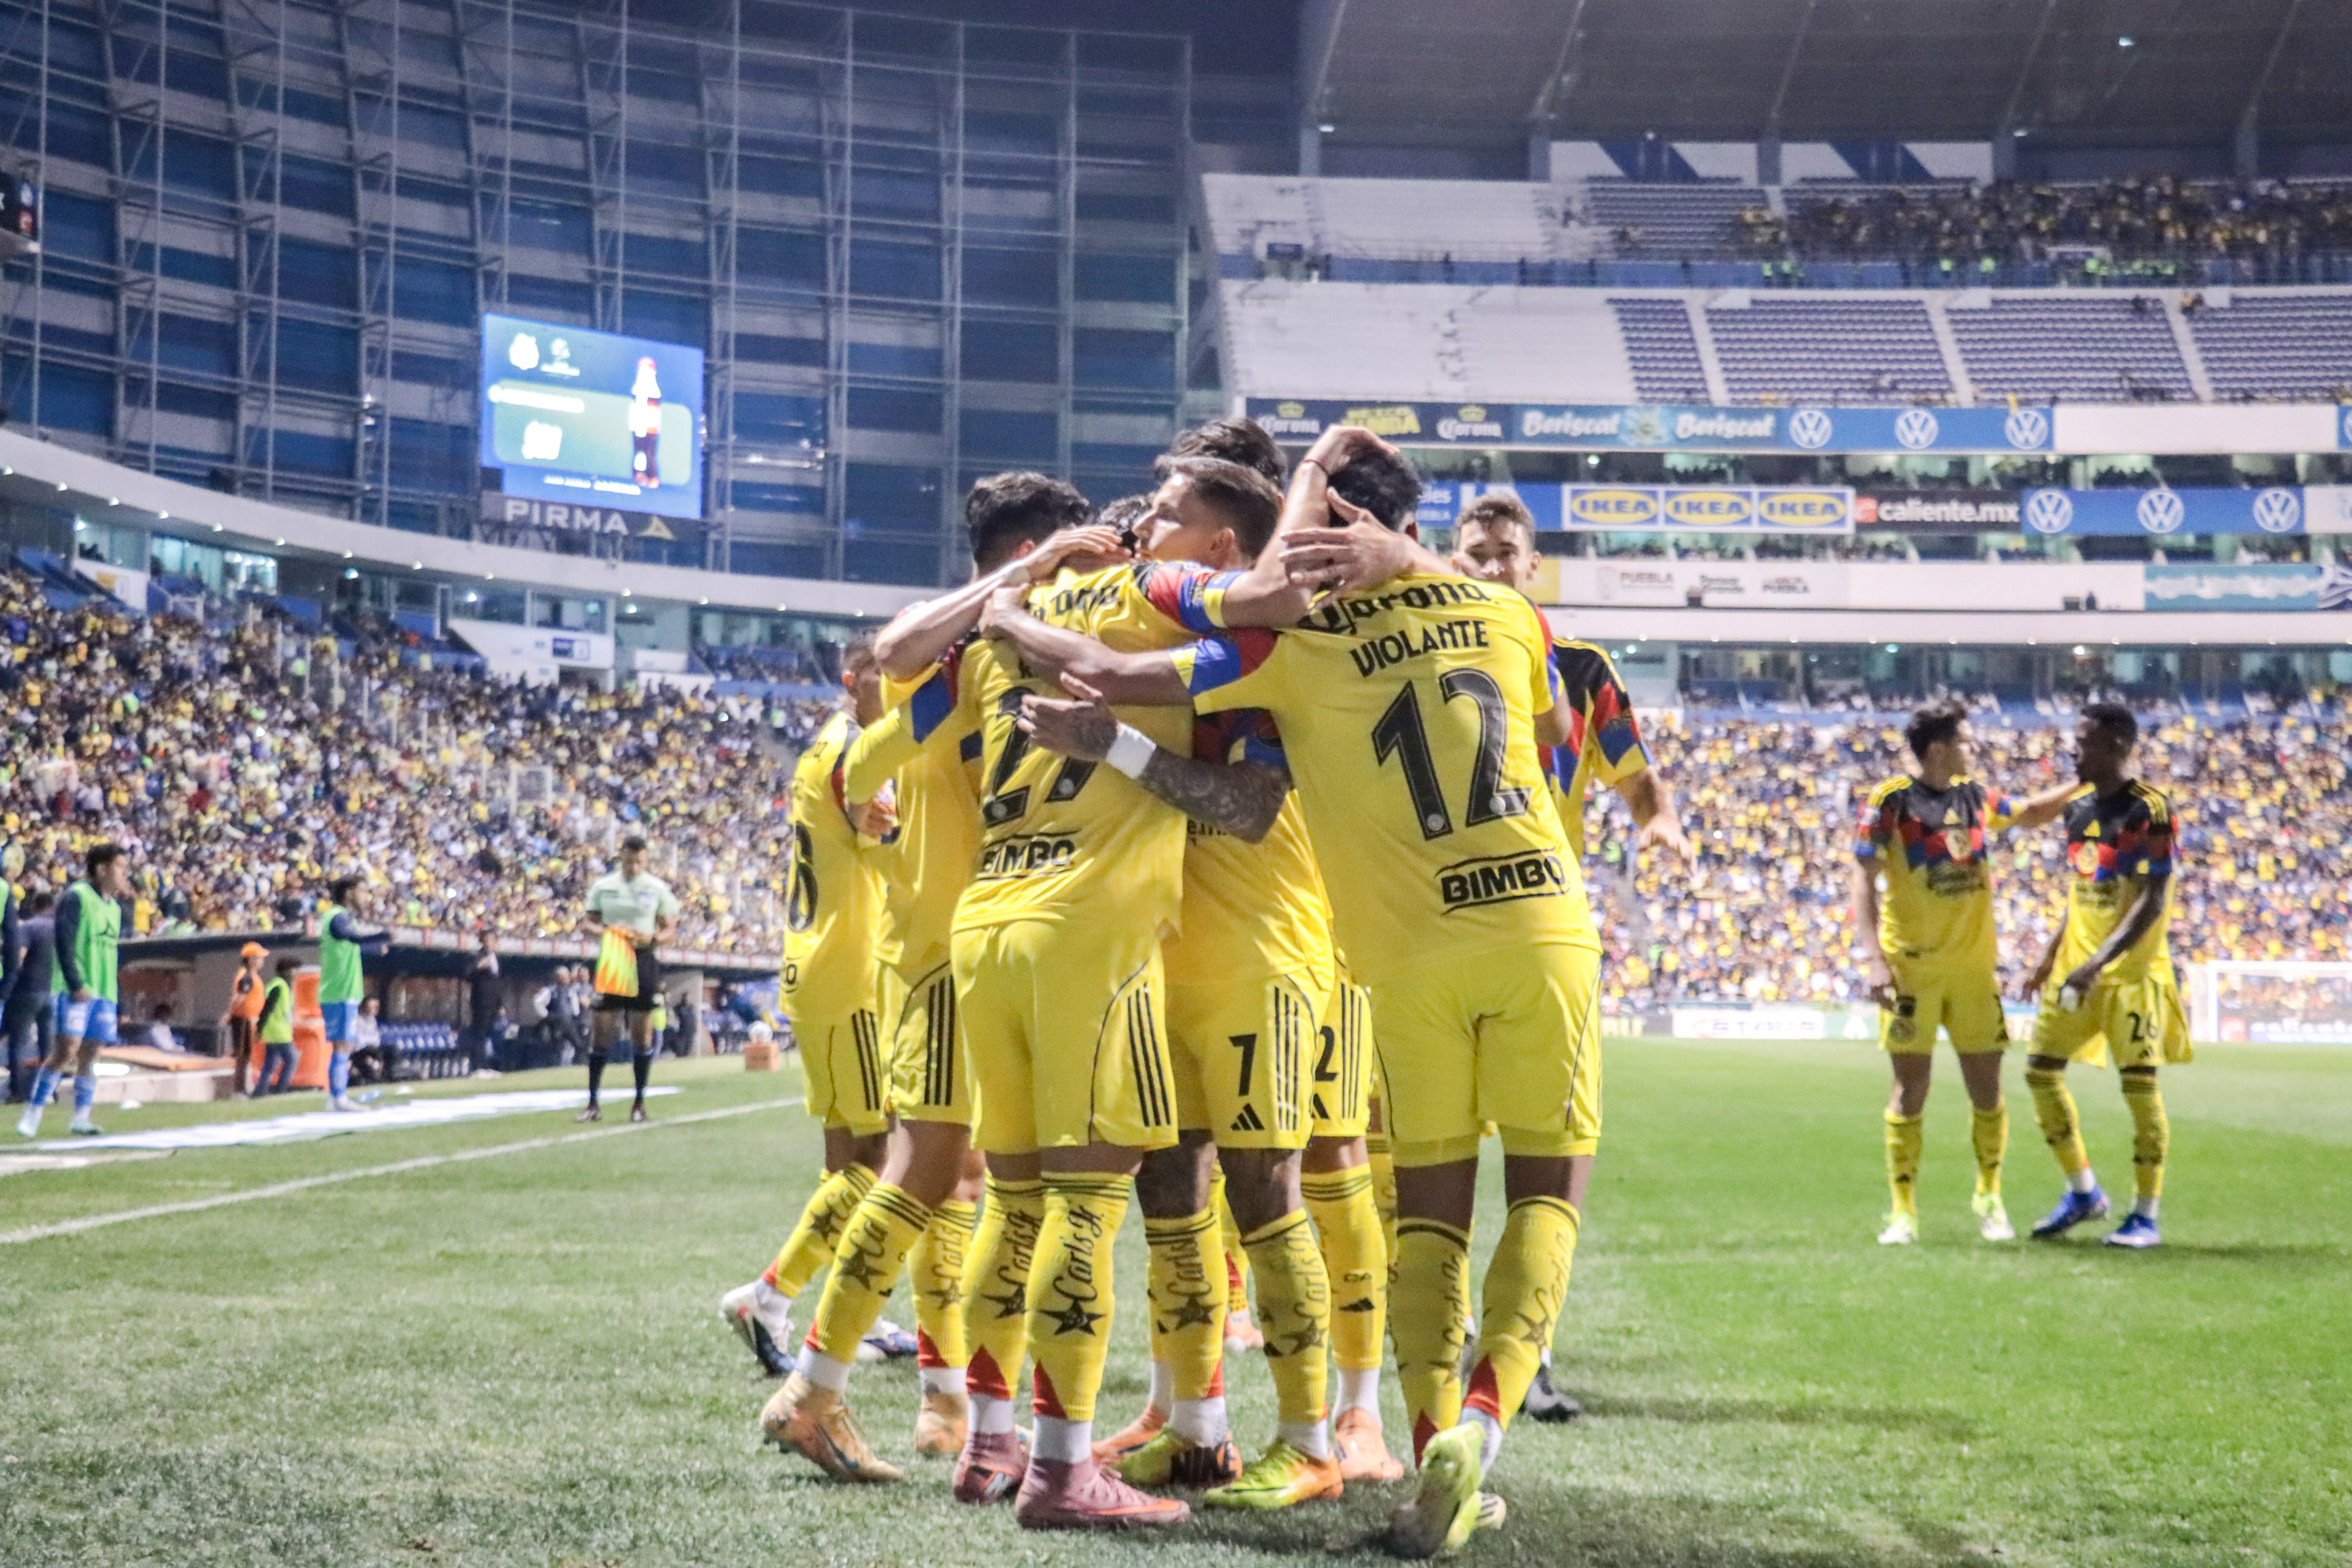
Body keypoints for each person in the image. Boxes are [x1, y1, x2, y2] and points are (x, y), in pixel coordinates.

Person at [982, 426, 1602, 1555]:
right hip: (1495, 929)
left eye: (1168, 515)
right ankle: (1282, 1423)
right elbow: (1543, 697)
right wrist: (1412, 563)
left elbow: (1220, 774)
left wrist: (1015, 610)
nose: (1143, 528)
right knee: (1198, 1185)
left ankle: (1342, 1430)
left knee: (1329, 1191)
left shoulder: (1284, 645)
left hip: (1318, 947)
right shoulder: (1506, 616)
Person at [777, 466, 1308, 1534]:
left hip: (984, 926)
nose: (1142, 525)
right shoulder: (1150, 590)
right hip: (1091, 930)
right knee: (1089, 1201)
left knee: (1006, 1199)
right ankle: (1071, 1470)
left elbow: (866, 751)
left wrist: (1017, 605)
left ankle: (986, 1443)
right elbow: (1268, 609)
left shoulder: (992, 636)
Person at [1001, 455, 1400, 1505]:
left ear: (1221, 547)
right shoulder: (1171, 649)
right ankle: (1196, 1429)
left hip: (1262, 956)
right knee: (1172, 1197)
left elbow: (1250, 809)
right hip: (1165, 951)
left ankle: (1313, 1440)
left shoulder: (1259, 660)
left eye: (1168, 519)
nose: (1145, 535)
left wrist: (1116, 749)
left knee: (1269, 1195)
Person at [1448, 490, 1693, 1423]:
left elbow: (1633, 770)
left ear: (1531, 564)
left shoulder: (1582, 670)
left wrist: (1659, 817)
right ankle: (1440, 1346)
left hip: (1542, 933)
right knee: (1426, 1162)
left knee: (1541, 1153)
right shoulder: (1425, 648)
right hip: (1434, 926)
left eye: (1507, 551)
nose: (1492, 562)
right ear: (1453, 556)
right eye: (1476, 550)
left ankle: (1524, 1352)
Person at [1853, 701, 2074, 1247]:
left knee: (1987, 1091)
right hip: (1914, 970)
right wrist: (1872, 956)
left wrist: (2080, 784)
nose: (1972, 749)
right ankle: (1903, 1211)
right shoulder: (1891, 801)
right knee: (1910, 1091)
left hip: (1975, 973)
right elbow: (1862, 875)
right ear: (1938, 748)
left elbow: (2030, 813)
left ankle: (1990, 1197)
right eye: (1965, 741)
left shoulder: (1975, 796)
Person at [2019, 703, 2187, 1249]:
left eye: (2084, 739)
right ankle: (2084, 1191)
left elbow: (2152, 901)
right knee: (2040, 1072)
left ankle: (2145, 1215)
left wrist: (2099, 963)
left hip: (2129, 977)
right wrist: (2051, 956)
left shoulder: (2150, 810)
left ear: (2117, 743)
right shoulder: (2077, 810)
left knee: (2139, 1092)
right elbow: (2080, 894)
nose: (2074, 749)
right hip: (2077, 974)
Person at [18, 843, 130, 1139]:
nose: (124, 873)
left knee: (91, 1055)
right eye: (120, 867)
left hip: (105, 991)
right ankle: (34, 1111)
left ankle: (81, 1118)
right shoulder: (76, 897)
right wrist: (75, 983)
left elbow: (112, 954)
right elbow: (64, 942)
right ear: (102, 868)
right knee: (66, 1049)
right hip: (77, 988)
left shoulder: (116, 909)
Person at [581, 836, 679, 1122]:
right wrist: (607, 932)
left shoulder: (657, 888)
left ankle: (639, 1103)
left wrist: (652, 937)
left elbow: (670, 930)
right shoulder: (604, 886)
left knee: (641, 1034)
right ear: (620, 857)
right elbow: (586, 922)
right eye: (629, 860)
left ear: (646, 860)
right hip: (614, 959)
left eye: (639, 862)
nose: (634, 867)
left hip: (644, 960)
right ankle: (593, 1104)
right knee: (602, 1031)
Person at [318, 875, 390, 1111]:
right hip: (339, 991)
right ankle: (338, 1098)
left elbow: (352, 945)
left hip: (343, 991)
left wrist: (375, 947)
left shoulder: (344, 919)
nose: (365, 896)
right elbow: (352, 938)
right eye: (362, 890)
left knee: (344, 1045)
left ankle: (337, 1097)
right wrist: (382, 935)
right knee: (342, 1046)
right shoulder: (337, 917)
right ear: (349, 892)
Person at [5, 891, 56, 1104]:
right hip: (50, 992)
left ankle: (17, 1093)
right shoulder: (60, 929)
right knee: (48, 1046)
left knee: (17, 1042)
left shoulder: (29, 927)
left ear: (35, 906)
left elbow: (20, 956)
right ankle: (49, 1092)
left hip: (27, 990)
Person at [221, 942, 268, 1097]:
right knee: (242, 1056)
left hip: (249, 1020)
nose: (262, 961)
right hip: (243, 1020)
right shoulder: (247, 977)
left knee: (246, 1056)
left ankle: (242, 1089)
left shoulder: (251, 976)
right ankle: (239, 1090)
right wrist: (229, 1013)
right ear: (251, 960)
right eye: (259, 958)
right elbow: (240, 997)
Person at [252, 957, 299, 1098]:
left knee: (270, 1064)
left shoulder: (281, 986)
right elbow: (267, 1009)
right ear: (288, 971)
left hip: (274, 1031)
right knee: (292, 1059)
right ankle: (281, 1090)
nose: (297, 973)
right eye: (295, 969)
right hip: (278, 1032)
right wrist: (259, 1028)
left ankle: (259, 1092)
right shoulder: (280, 986)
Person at [463, 933, 503, 1080]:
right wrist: (478, 967)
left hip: (493, 1003)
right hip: (481, 1001)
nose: (490, 943)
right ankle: (477, 1067)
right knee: (479, 1034)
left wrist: (500, 1004)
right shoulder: (477, 956)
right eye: (487, 940)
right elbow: (466, 975)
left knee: (490, 1035)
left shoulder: (496, 958)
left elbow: (497, 983)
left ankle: (488, 1066)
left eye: (493, 940)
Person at [349, 996, 392, 1083]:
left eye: (376, 1007)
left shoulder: (372, 1020)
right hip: (360, 1050)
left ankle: (388, 1075)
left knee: (392, 1051)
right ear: (364, 1007)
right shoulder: (357, 1020)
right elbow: (360, 1041)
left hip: (373, 1048)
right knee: (373, 1051)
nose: (375, 1009)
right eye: (372, 1006)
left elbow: (376, 1038)